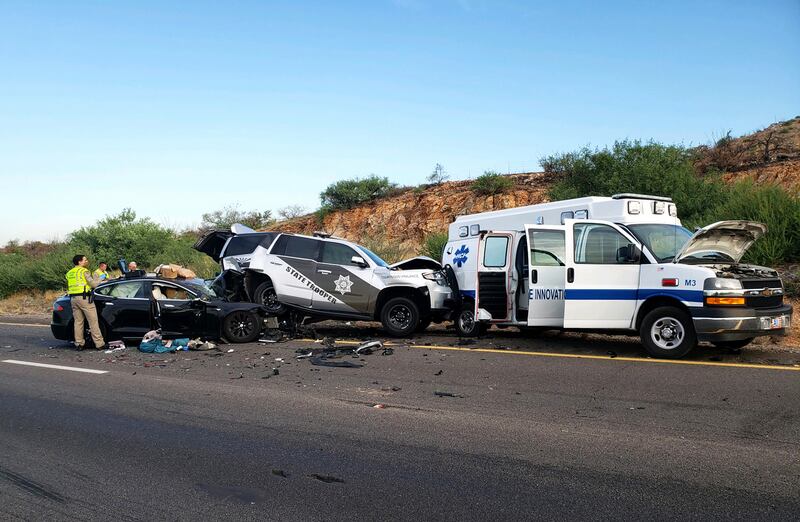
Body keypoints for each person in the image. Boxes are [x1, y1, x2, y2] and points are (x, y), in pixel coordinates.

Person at [65, 255, 105, 350]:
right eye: (85, 260)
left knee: (78, 322)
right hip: (84, 299)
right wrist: (101, 278)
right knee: (93, 322)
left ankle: (79, 344)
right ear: (79, 262)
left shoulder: (69, 273)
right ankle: (99, 344)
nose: (87, 261)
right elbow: (94, 284)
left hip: (73, 299)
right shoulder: (84, 271)